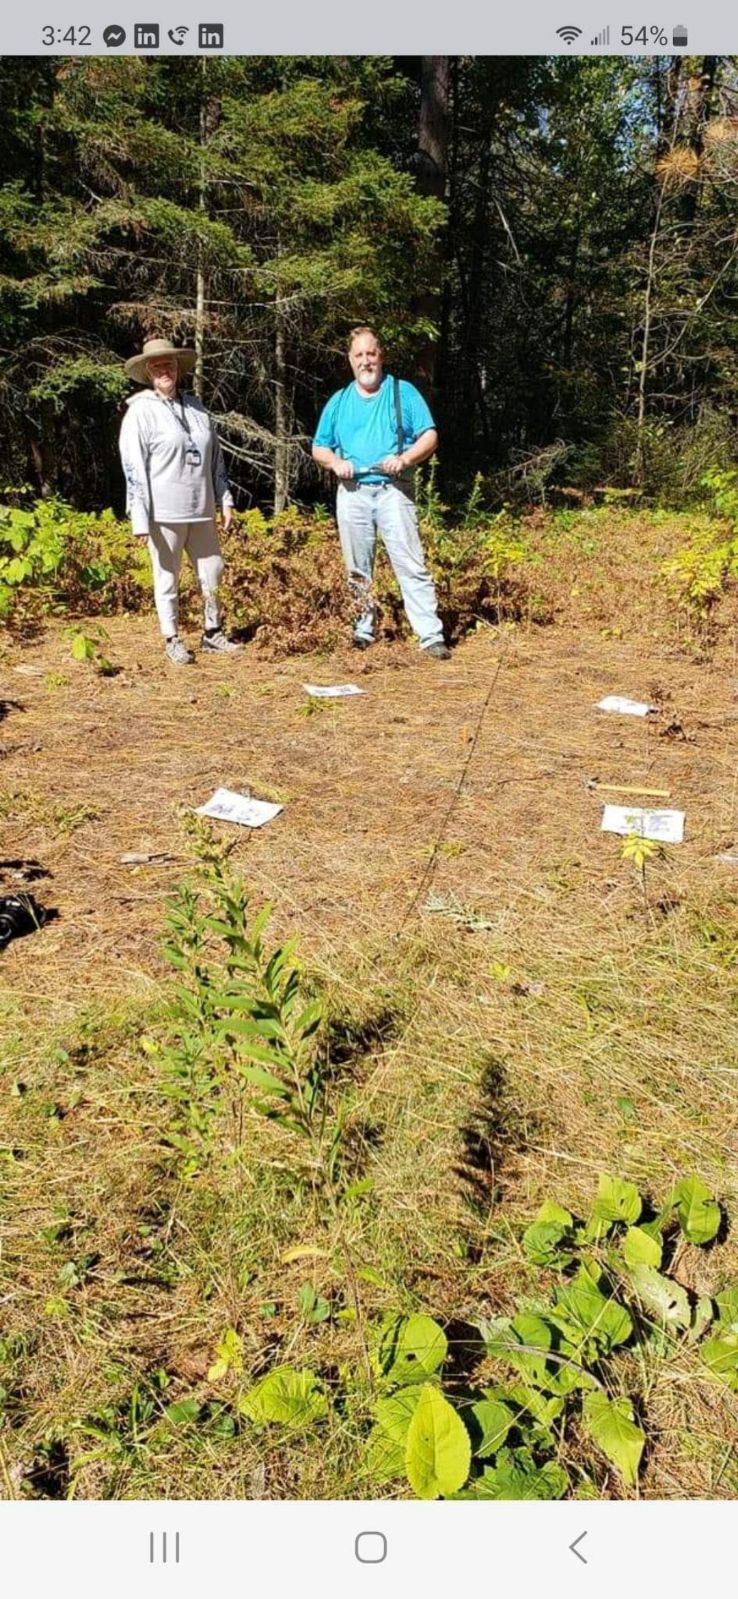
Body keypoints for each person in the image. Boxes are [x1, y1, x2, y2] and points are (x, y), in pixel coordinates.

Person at [312, 327, 451, 658]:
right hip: (352, 492)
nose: (365, 361)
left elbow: (429, 436)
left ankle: (430, 635)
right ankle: (363, 628)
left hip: (393, 491)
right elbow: (319, 447)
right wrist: (335, 462)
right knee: (358, 568)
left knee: (411, 563)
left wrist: (405, 458)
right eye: (358, 355)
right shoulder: (339, 401)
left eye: (370, 354)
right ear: (350, 360)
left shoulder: (403, 393)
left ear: (381, 355)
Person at [119, 337, 240, 664]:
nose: (164, 369)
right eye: (157, 364)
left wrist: (224, 498)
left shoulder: (197, 408)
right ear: (148, 370)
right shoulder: (140, 413)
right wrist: (139, 517)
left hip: (201, 508)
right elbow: (133, 467)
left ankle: (212, 631)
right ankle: (172, 637)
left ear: (178, 368)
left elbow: (215, 459)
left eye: (169, 363)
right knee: (167, 575)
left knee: (213, 569)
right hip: (163, 512)